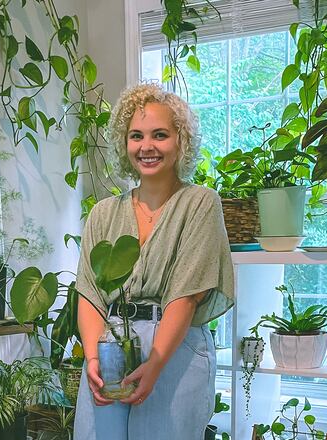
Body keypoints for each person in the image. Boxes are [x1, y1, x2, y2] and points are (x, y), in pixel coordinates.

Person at [73, 83, 235, 440]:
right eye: (136, 136)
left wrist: (156, 362)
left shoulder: (200, 204)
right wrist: (93, 359)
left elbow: (187, 295)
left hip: (174, 349)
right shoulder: (103, 213)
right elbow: (88, 293)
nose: (146, 147)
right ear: (123, 143)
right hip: (110, 346)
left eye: (159, 135)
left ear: (181, 141)